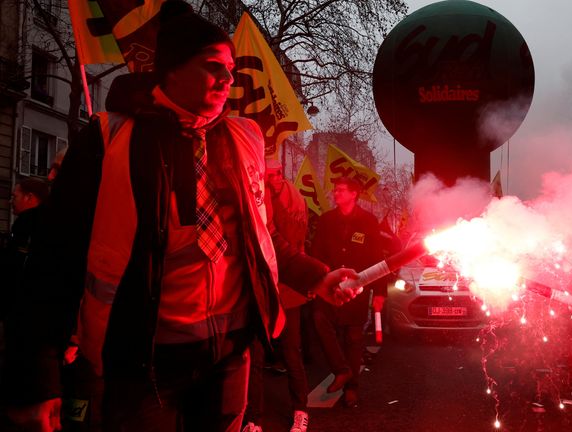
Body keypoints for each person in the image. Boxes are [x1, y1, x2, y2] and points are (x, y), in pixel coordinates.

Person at [0, 2, 358, 431]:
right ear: (171, 67)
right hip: (142, 364)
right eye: (213, 67)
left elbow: (260, 238)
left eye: (230, 68)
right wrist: (39, 377)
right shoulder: (107, 138)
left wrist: (316, 275)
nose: (228, 79)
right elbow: (54, 259)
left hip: (229, 357)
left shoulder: (243, 138)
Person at [244, 159, 312, 432]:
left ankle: (296, 411)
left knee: (286, 352)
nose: (270, 178)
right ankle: (254, 418)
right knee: (258, 355)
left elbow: (280, 241)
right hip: (271, 287)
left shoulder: (283, 199)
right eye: (267, 173)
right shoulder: (289, 196)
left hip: (280, 288)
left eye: (274, 174)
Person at [310, 176, 387, 408]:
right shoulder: (326, 220)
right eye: (335, 190)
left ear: (354, 194)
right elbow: (316, 252)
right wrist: (318, 280)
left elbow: (377, 257)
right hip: (330, 286)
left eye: (341, 190)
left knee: (353, 338)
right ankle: (341, 370)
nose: (336, 193)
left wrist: (380, 293)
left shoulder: (368, 221)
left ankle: (351, 388)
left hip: (357, 288)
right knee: (320, 321)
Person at [1, 178, 49, 321]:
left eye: (14, 196)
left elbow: (15, 267)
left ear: (29, 197)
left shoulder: (27, 224)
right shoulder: (43, 222)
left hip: (20, 311)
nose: (11, 202)